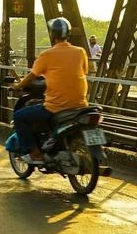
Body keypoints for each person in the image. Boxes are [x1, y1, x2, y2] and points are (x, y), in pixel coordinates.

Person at [10, 17, 88, 164]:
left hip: (56, 106)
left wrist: (17, 86)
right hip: (80, 105)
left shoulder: (47, 55)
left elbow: (32, 76)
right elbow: (84, 72)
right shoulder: (80, 52)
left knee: (20, 117)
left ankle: (35, 153)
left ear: (52, 35)